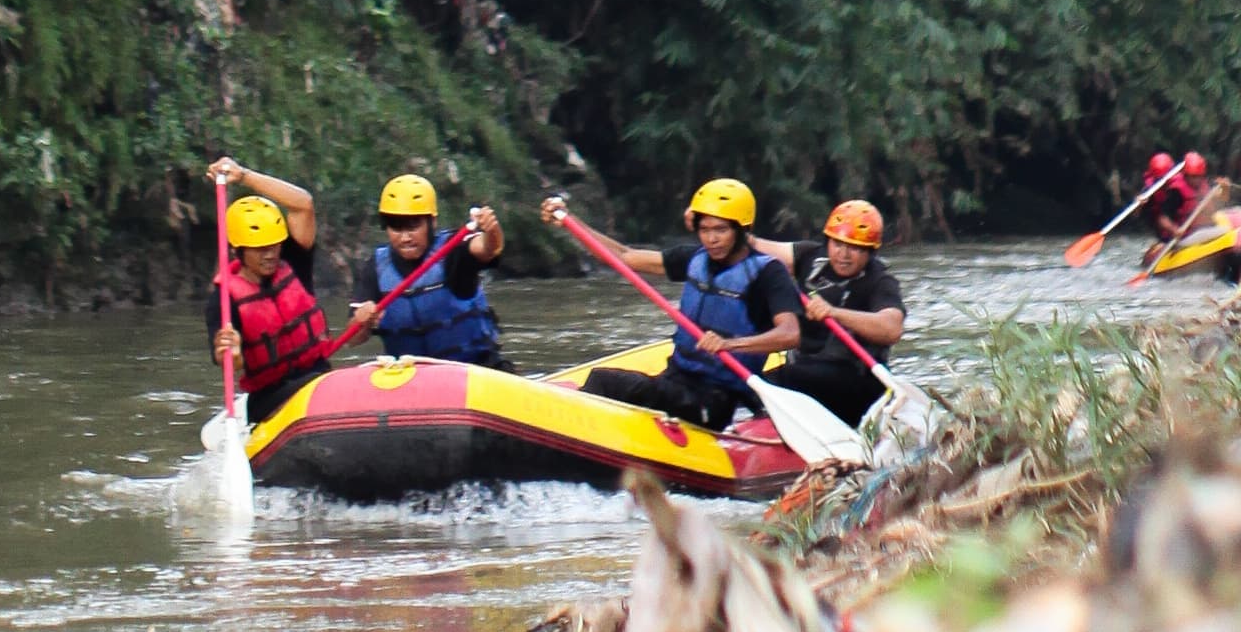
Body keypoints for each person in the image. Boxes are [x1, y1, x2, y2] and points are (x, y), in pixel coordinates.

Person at [542, 179, 800, 430]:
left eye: (721, 230)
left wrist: (730, 344)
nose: (712, 239)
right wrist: (570, 222)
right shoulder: (694, 259)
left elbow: (791, 334)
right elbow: (623, 256)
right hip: (675, 380)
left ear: (742, 230)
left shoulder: (768, 274)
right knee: (615, 385)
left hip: (714, 399)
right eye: (705, 230)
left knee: (604, 381)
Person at [750, 200, 906, 427]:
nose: (844, 255)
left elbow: (891, 328)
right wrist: (710, 220)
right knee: (751, 380)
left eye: (855, 247)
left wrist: (834, 313)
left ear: (870, 251)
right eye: (837, 244)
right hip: (809, 369)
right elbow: (752, 246)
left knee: (779, 379)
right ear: (828, 241)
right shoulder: (811, 257)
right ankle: (766, 428)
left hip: (858, 383)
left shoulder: (880, 281)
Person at [206, 157, 331, 424]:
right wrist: (232, 353)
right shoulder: (224, 300)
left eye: (274, 245)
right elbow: (227, 359)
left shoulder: (293, 262)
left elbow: (303, 204)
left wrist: (243, 175)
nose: (270, 254)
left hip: (318, 382)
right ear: (238, 249)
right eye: (260, 248)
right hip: (271, 399)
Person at [348, 174, 508, 367]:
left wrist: (492, 231)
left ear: (432, 222)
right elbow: (353, 339)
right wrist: (362, 322)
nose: (405, 237)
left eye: (413, 226)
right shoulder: (375, 267)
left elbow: (488, 248)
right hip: (412, 378)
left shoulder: (453, 249)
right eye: (396, 228)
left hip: (474, 369)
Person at [1145, 151, 1206, 240]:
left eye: (1199, 176)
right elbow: (1162, 218)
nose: (1197, 180)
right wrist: (1175, 230)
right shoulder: (1175, 191)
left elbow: (1220, 202)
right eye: (1194, 177)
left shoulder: (1199, 185)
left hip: (1195, 227)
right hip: (1170, 229)